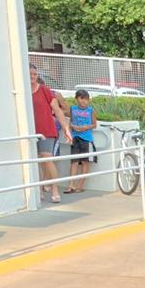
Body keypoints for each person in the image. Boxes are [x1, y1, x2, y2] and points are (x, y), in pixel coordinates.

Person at [30, 64, 69, 205]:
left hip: (46, 130)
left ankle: (54, 188)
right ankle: (39, 188)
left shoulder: (45, 91)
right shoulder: (23, 92)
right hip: (30, 132)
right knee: (36, 162)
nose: (32, 76)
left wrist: (66, 128)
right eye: (30, 74)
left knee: (47, 159)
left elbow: (57, 110)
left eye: (34, 74)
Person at [66, 89, 98, 194]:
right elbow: (70, 122)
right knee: (74, 162)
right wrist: (72, 127)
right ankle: (71, 185)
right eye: (81, 98)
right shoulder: (72, 109)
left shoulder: (91, 110)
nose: (84, 101)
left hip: (86, 139)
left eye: (86, 99)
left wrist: (85, 127)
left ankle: (80, 186)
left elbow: (94, 124)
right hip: (75, 138)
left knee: (85, 162)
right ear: (76, 99)